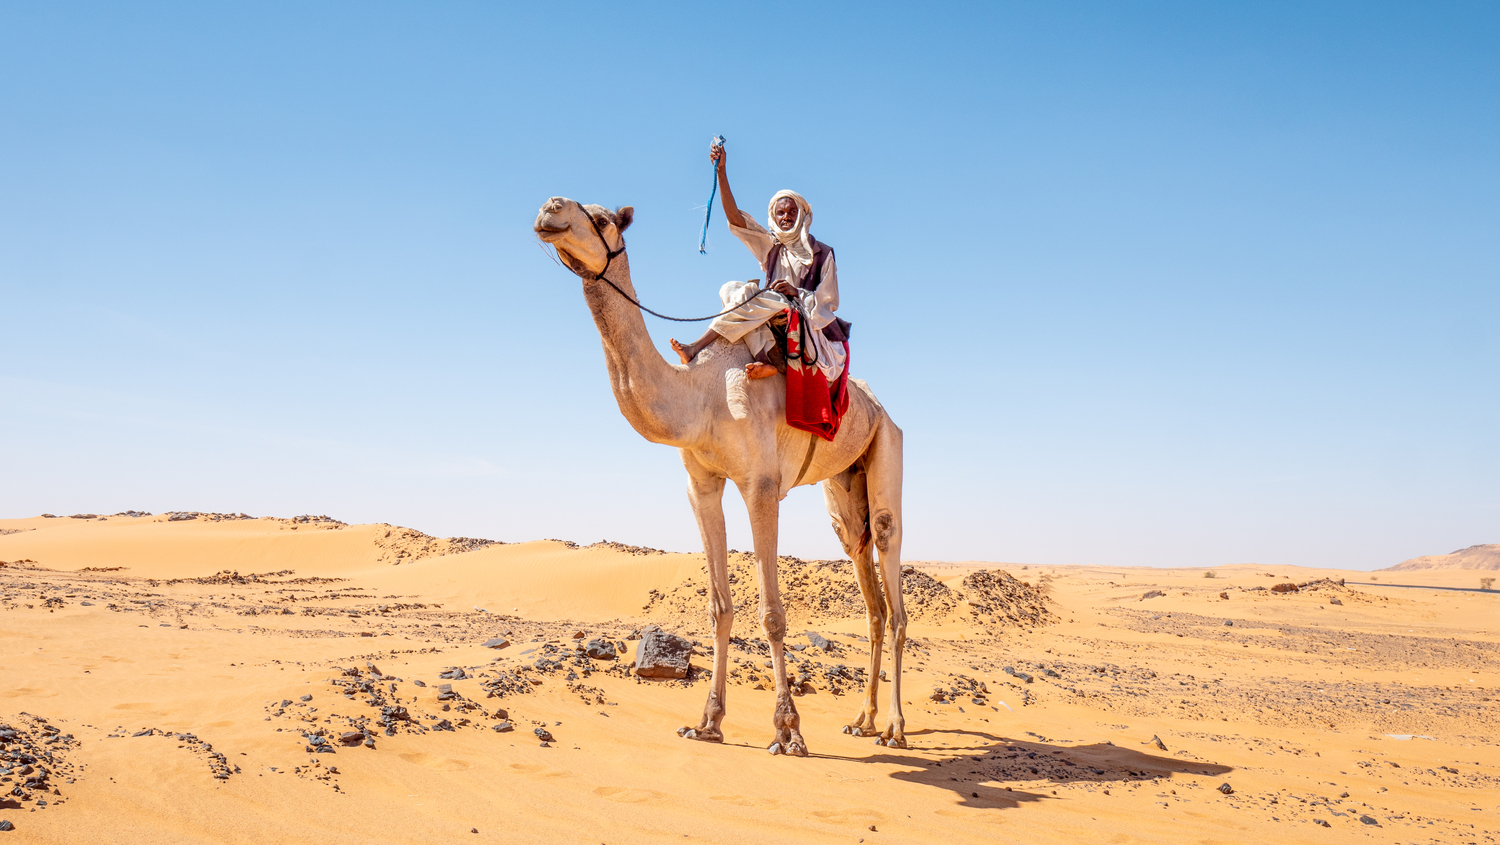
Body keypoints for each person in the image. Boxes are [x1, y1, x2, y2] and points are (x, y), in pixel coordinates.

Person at [670, 141, 849, 382]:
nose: (786, 217)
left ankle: (696, 346)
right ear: (774, 217)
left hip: (806, 319)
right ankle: (765, 359)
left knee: (753, 296)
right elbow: (735, 218)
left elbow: (829, 303)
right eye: (781, 213)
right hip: (768, 309)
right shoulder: (771, 246)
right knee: (730, 289)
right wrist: (721, 171)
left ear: (802, 215)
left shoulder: (822, 253)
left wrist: (796, 292)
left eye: (791, 212)